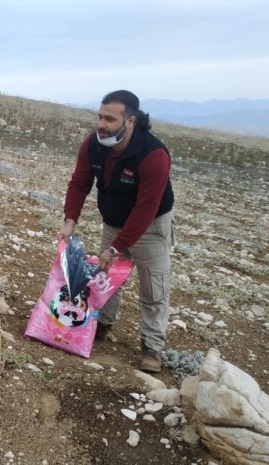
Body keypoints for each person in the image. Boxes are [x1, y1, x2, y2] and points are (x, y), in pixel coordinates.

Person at [57, 90, 174, 373]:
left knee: (154, 287)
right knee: (106, 278)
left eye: (110, 119)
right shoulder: (93, 145)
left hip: (151, 226)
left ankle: (152, 348)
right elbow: (80, 182)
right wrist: (70, 219)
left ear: (130, 121)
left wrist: (117, 246)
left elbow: (146, 209)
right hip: (113, 221)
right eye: (100, 116)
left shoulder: (153, 154)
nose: (102, 124)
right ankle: (101, 325)